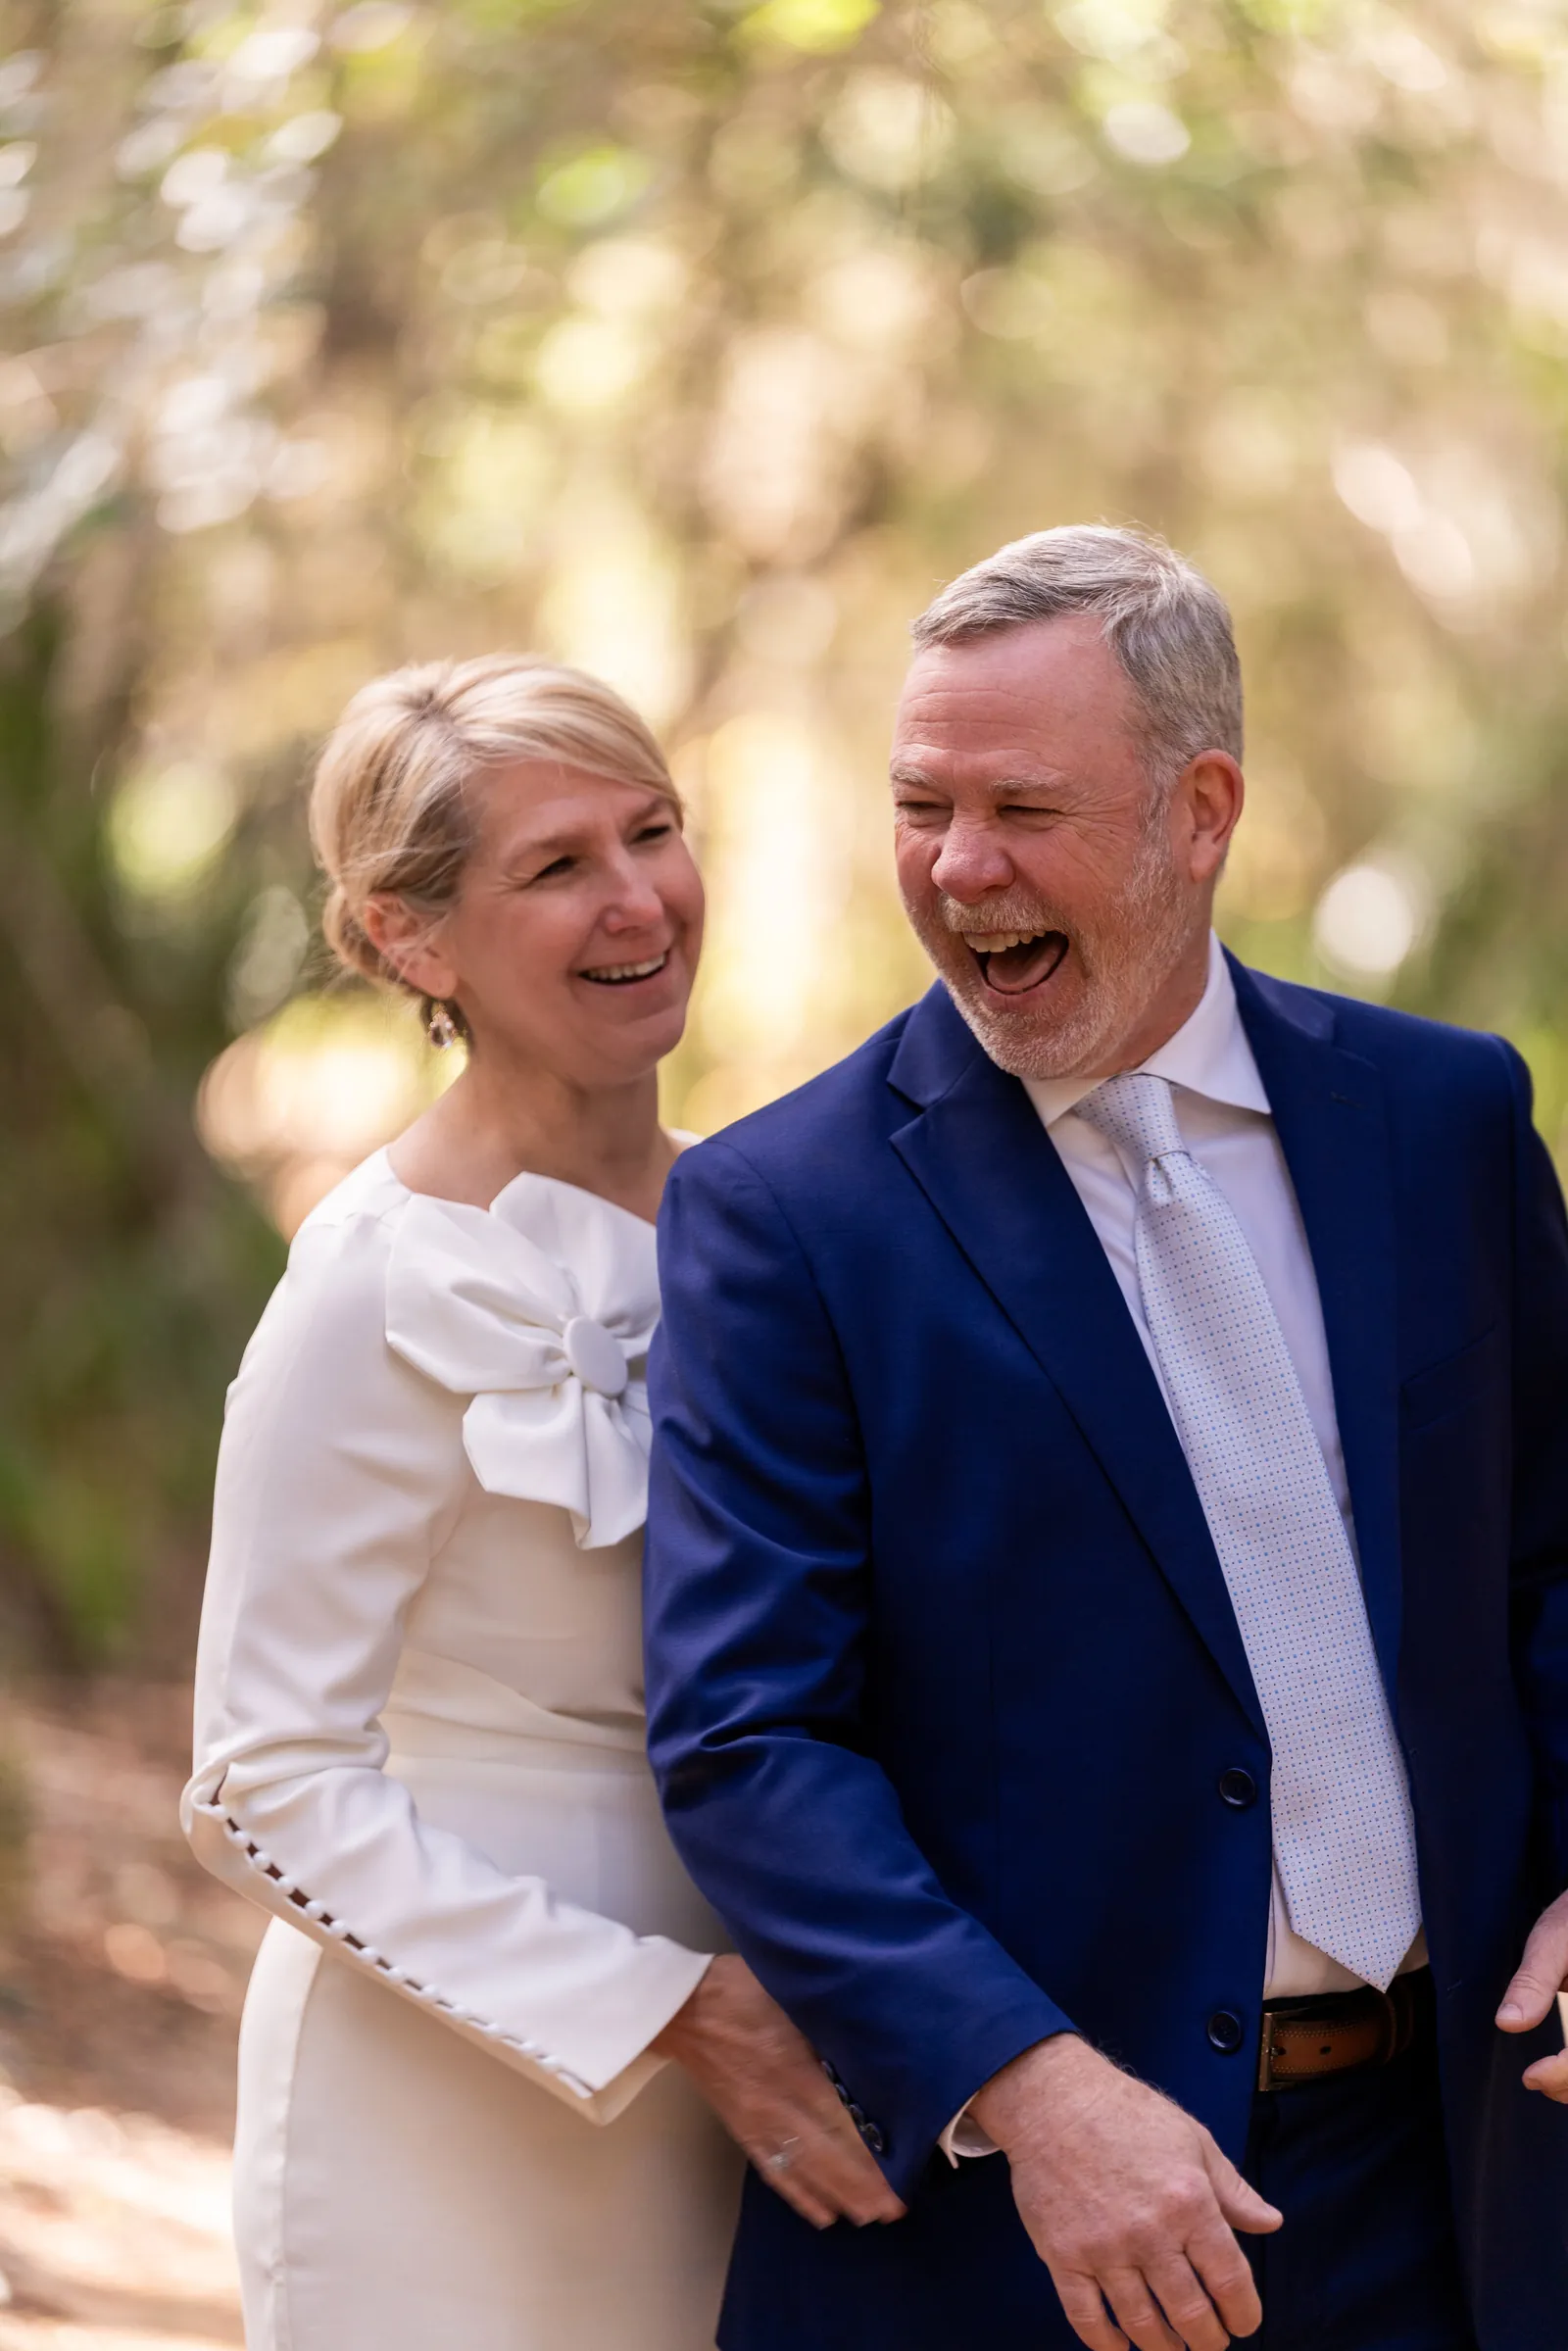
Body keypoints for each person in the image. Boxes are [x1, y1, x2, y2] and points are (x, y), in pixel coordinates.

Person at [642, 527, 1568, 2351]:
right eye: (921, 805)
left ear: (1200, 810)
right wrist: (1030, 2085)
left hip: (1456, 2192)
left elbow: (1552, 1555)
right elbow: (750, 1732)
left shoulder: (1449, 1120)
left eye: (1021, 809)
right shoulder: (784, 1212)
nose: (960, 869)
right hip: (1020, 2237)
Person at [182, 655, 900, 2351]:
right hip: (447, 2092)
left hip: (775, 2061)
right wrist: (663, 2010)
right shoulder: (369, 1285)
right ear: (406, 937)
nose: (638, 896)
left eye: (653, 831)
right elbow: (260, 1779)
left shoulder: (772, 1227)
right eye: (558, 864)